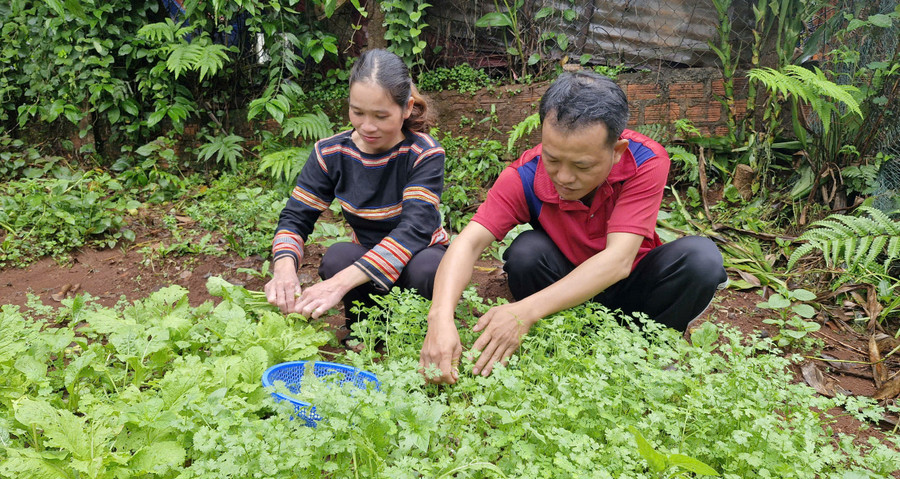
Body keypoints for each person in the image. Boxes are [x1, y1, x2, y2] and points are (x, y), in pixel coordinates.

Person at [419, 71, 727, 384]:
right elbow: (468, 243)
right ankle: (568, 342)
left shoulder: (645, 160)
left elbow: (619, 260)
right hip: (564, 290)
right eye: (553, 160)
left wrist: (523, 311)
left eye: (582, 166)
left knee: (700, 258)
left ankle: (655, 351)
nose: (564, 177)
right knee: (526, 252)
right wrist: (440, 318)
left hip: (634, 286)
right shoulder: (524, 175)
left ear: (616, 151)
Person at [265, 49, 449, 346]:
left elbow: (415, 229)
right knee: (337, 256)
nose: (367, 126)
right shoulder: (331, 153)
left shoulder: (423, 153)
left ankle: (419, 333)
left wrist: (338, 284)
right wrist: (284, 268)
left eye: (381, 116)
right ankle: (367, 335)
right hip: (366, 264)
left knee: (427, 268)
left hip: (420, 255)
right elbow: (296, 217)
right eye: (357, 112)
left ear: (406, 108)